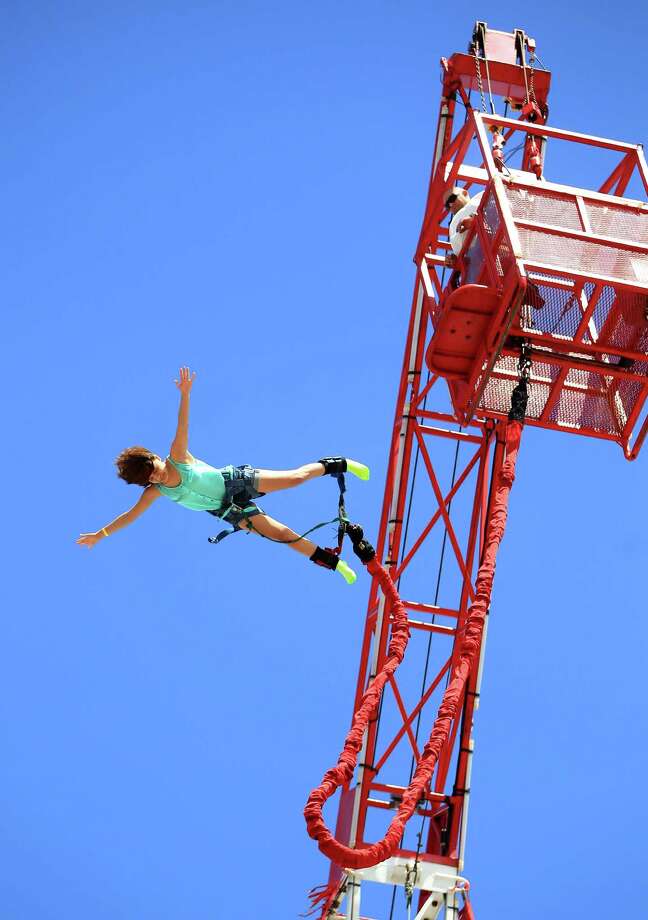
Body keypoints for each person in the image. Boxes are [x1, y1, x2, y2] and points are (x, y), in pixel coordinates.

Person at [76, 367, 370, 585]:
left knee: (295, 478)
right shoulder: (156, 492)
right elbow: (129, 516)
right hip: (231, 510)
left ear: (154, 457)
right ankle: (335, 564)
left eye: (152, 467)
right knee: (283, 536)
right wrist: (100, 535)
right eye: (149, 478)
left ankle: (341, 464)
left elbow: (183, 424)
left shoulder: (177, 456)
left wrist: (185, 395)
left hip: (236, 481)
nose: (155, 475)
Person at [445, 186, 484, 285]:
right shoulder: (453, 226)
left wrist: (474, 220)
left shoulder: (480, 198)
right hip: (480, 267)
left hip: (502, 246)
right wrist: (454, 260)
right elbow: (461, 252)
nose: (450, 204)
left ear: (465, 193)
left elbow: (497, 208)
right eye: (447, 206)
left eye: (452, 199)